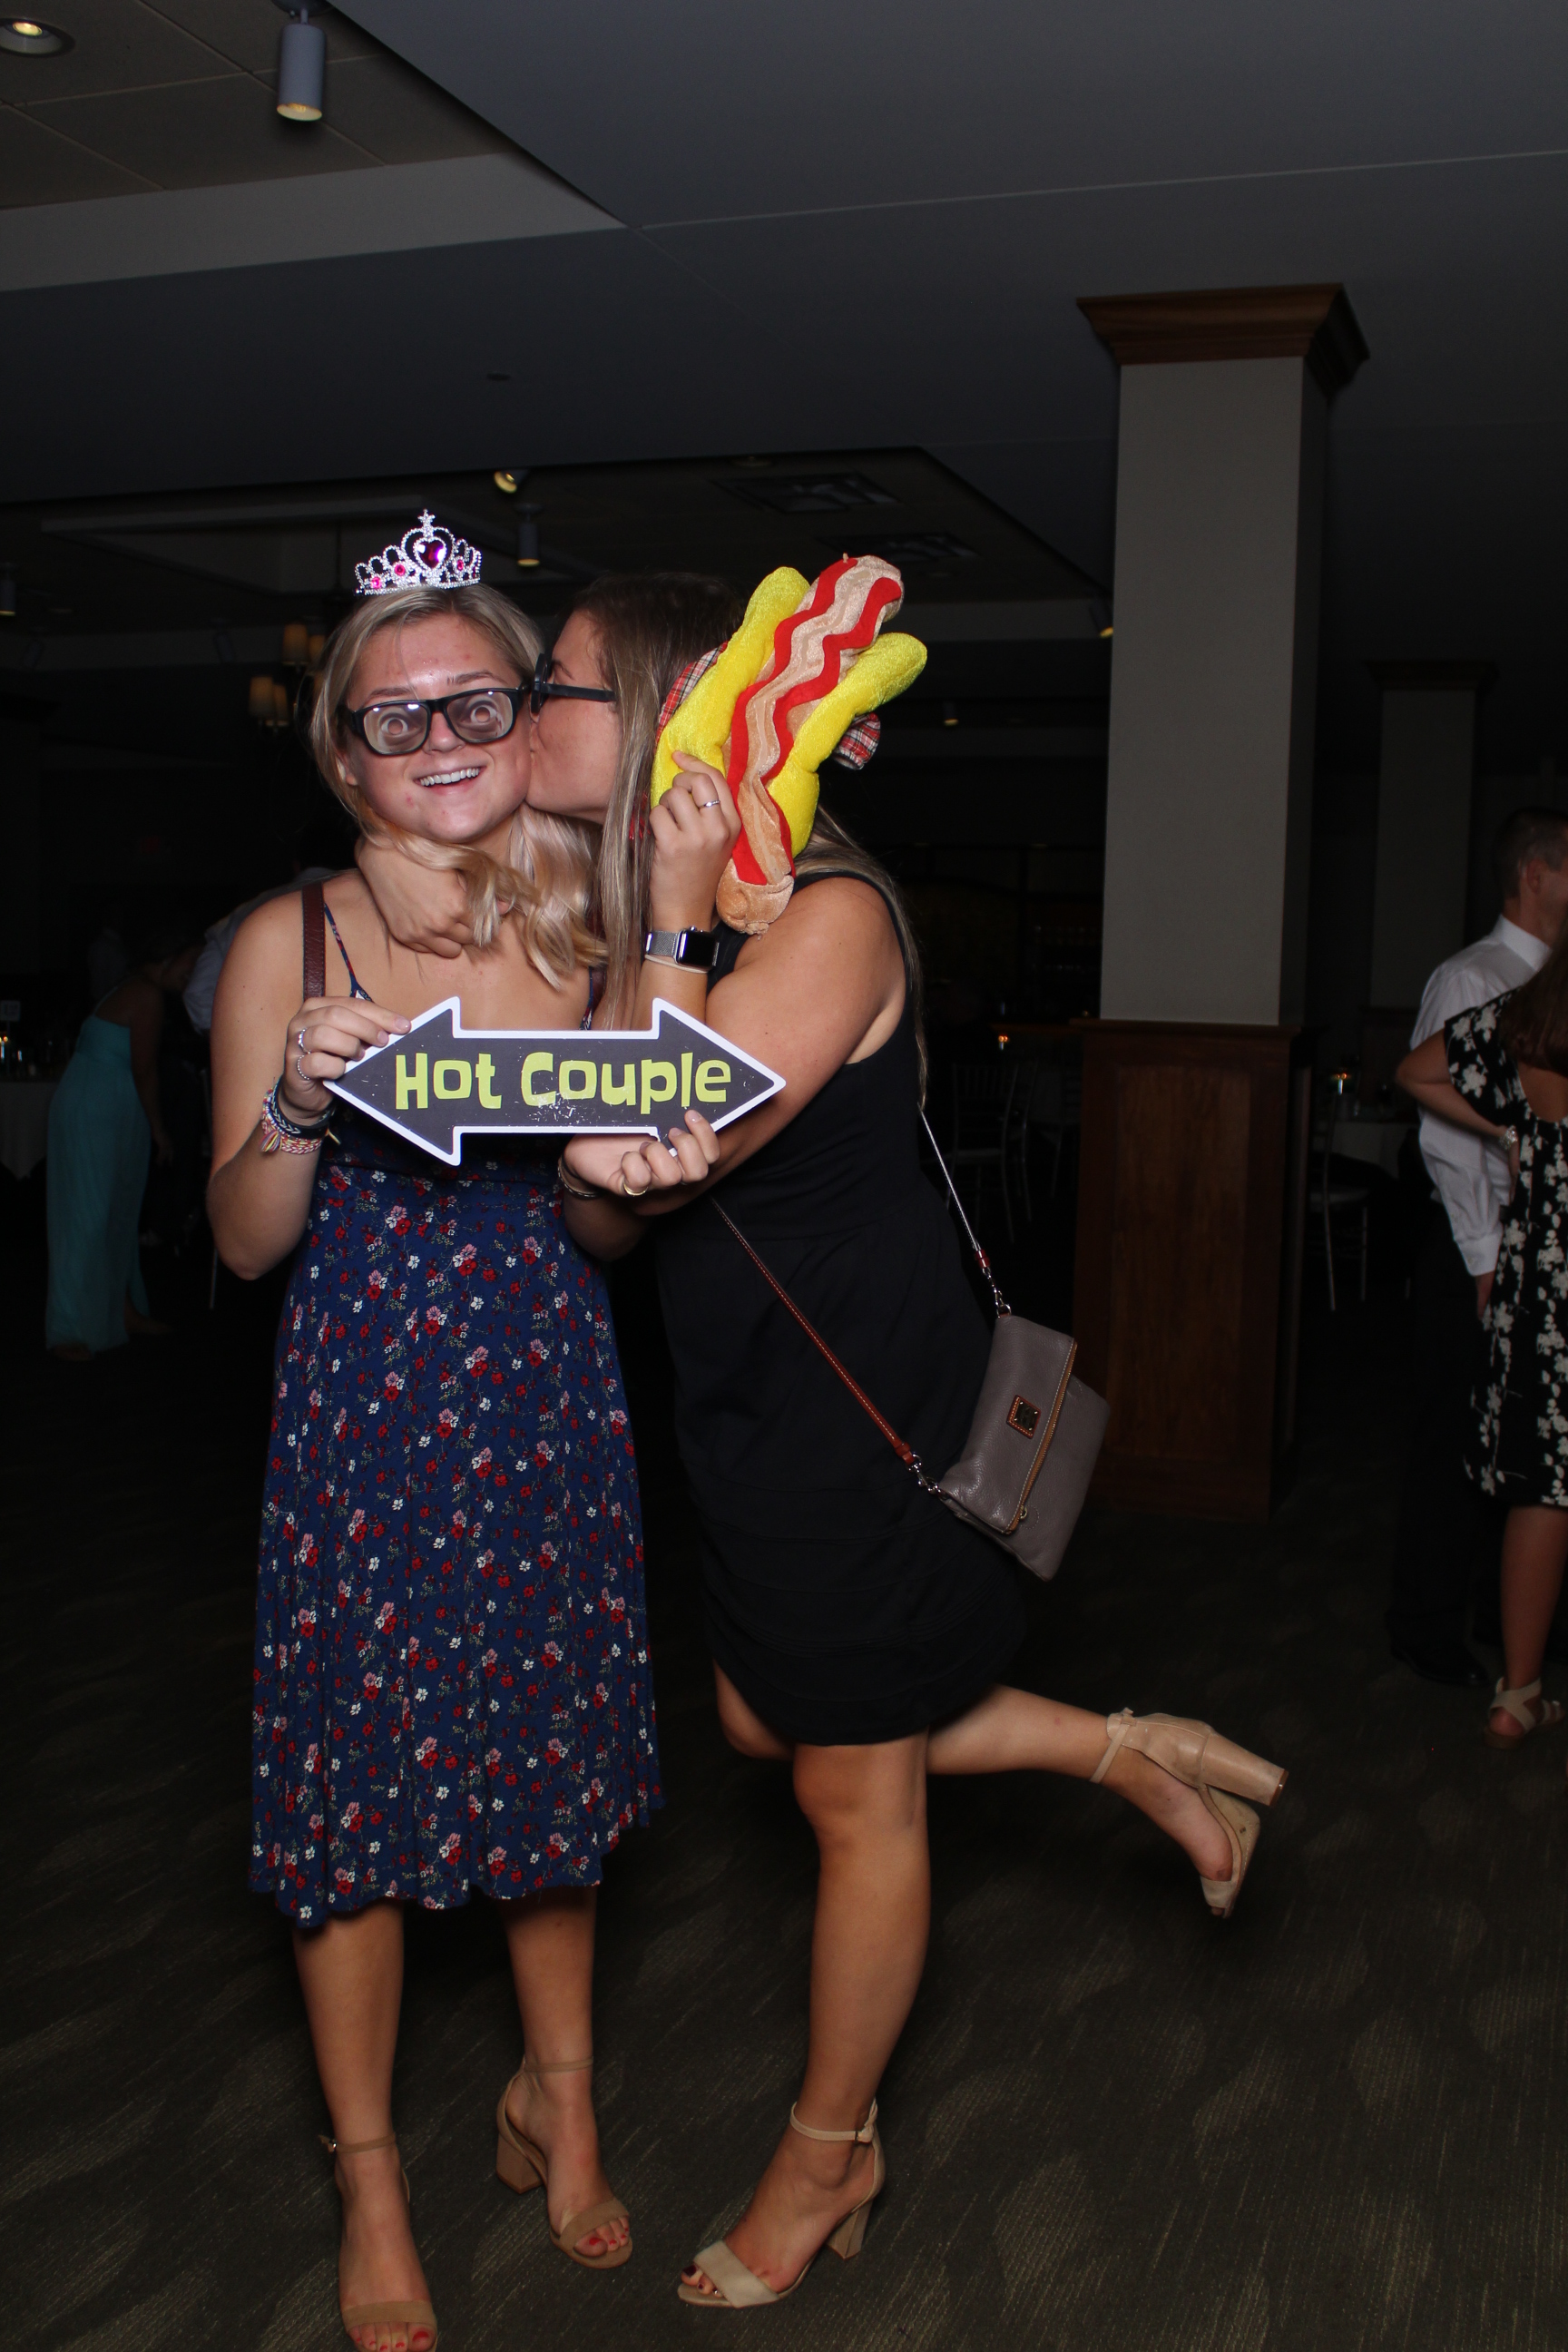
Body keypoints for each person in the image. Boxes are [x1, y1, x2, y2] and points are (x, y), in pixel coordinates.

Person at [436, 571, 1287, 2310]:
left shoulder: (822, 916)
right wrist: (643, 948)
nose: (529, 716)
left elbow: (610, 1158)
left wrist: (665, 937)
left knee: (850, 1787)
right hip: (748, 1406)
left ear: (677, 714)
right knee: (771, 1710)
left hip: (859, 1414)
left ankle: (828, 2156)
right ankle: (1123, 1750)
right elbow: (607, 1226)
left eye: (563, 687)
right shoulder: (652, 918)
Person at [208, 535, 659, 2352]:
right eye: (400, 715)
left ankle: (566, 2095)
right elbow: (246, 1244)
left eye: (481, 700)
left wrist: (637, 1171)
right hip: (366, 1422)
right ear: (345, 751)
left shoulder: (591, 927)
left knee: (549, 1789)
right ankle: (374, 2177)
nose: (445, 738)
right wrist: (298, 1104)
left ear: (525, 718)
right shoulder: (286, 937)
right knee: (356, 1819)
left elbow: (611, 1239)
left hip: (546, 1401)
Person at [1387, 808, 1568, 1686]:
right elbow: (1445, 1140)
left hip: (1530, 1257)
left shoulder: (1552, 987)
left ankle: (1510, 1622)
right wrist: (1489, 1261)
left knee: (1520, 1455)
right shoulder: (1475, 977)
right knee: (1451, 1446)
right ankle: (1425, 1630)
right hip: (1482, 1255)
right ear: (1536, 875)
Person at [45, 914, 200, 1359]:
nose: (192, 974)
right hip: (98, 1107)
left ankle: (124, 1309)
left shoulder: (133, 987)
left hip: (106, 1103)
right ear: (168, 958)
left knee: (116, 1212)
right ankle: (69, 1328)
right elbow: (145, 1070)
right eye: (188, 963)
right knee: (87, 1217)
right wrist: (160, 1129)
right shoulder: (145, 994)